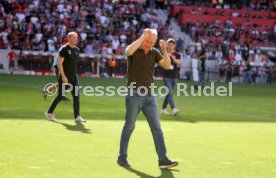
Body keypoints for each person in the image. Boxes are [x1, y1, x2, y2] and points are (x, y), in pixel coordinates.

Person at [117, 28, 178, 169]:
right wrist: (142, 37)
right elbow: (127, 51)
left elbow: (167, 65)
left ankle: (163, 160)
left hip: (150, 96)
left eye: (152, 42)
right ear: (143, 38)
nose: (149, 44)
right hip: (134, 95)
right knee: (129, 126)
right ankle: (122, 157)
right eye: (147, 41)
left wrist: (164, 50)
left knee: (157, 128)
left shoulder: (154, 52)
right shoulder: (135, 50)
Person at [44, 32, 86, 124]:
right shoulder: (64, 49)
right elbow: (59, 63)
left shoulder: (77, 50)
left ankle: (77, 117)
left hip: (73, 78)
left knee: (76, 96)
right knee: (60, 96)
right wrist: (63, 77)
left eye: (77, 38)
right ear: (69, 38)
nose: (76, 39)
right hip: (64, 78)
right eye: (74, 38)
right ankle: (49, 112)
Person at [160, 38, 180, 116]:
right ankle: (173, 109)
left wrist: (171, 55)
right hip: (166, 76)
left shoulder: (177, 54)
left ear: (174, 46)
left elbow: (178, 62)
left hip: (174, 77)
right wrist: (167, 55)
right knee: (170, 92)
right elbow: (162, 63)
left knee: (169, 93)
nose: (170, 46)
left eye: (171, 45)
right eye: (168, 45)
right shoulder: (164, 53)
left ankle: (163, 109)